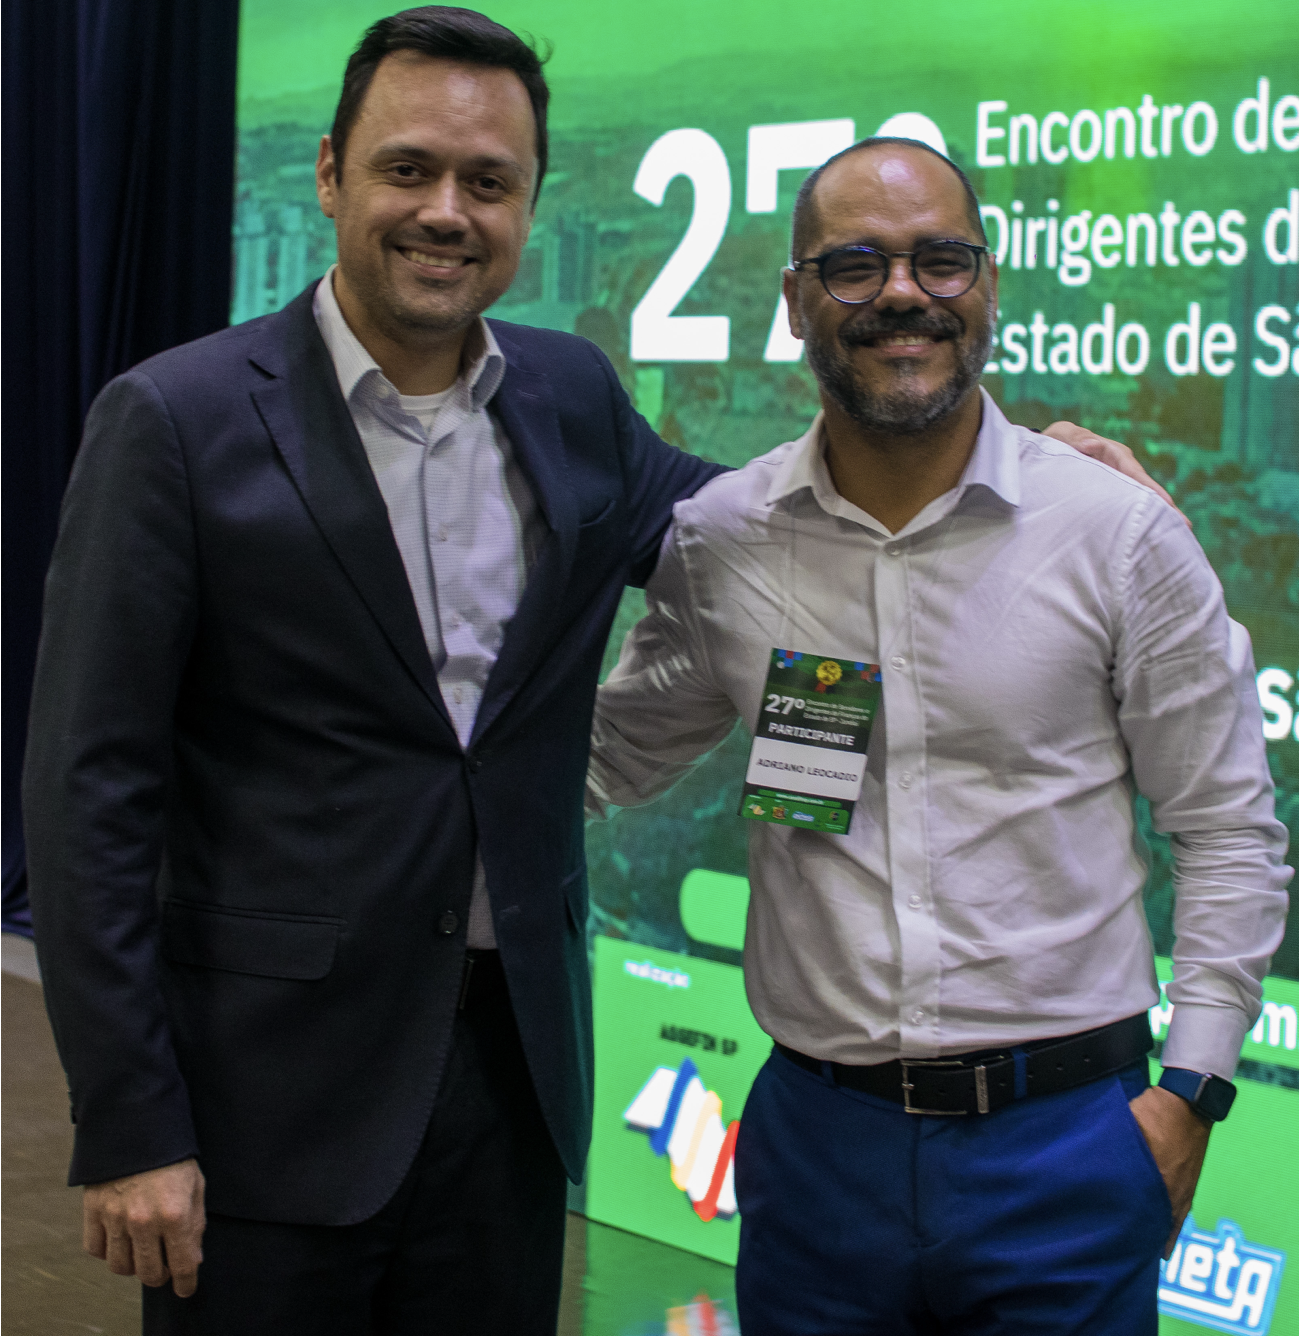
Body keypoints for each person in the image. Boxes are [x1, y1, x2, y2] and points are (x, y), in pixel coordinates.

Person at [23, 5, 1168, 1329]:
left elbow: (768, 526)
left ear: (527, 203)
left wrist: (1022, 479)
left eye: (487, 181)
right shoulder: (175, 420)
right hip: (267, 1097)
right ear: (331, 174)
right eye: (408, 169)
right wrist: (130, 1119)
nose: (446, 211)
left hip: (511, 1084)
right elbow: (88, 795)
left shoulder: (567, 396)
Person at [586, 137, 1290, 1336]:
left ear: (986, 285)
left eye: (938, 260)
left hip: (1065, 1146)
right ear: (795, 299)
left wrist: (1189, 1096)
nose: (902, 293)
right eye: (853, 265)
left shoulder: (1113, 534)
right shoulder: (726, 543)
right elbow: (600, 761)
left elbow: (1226, 830)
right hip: (817, 1154)